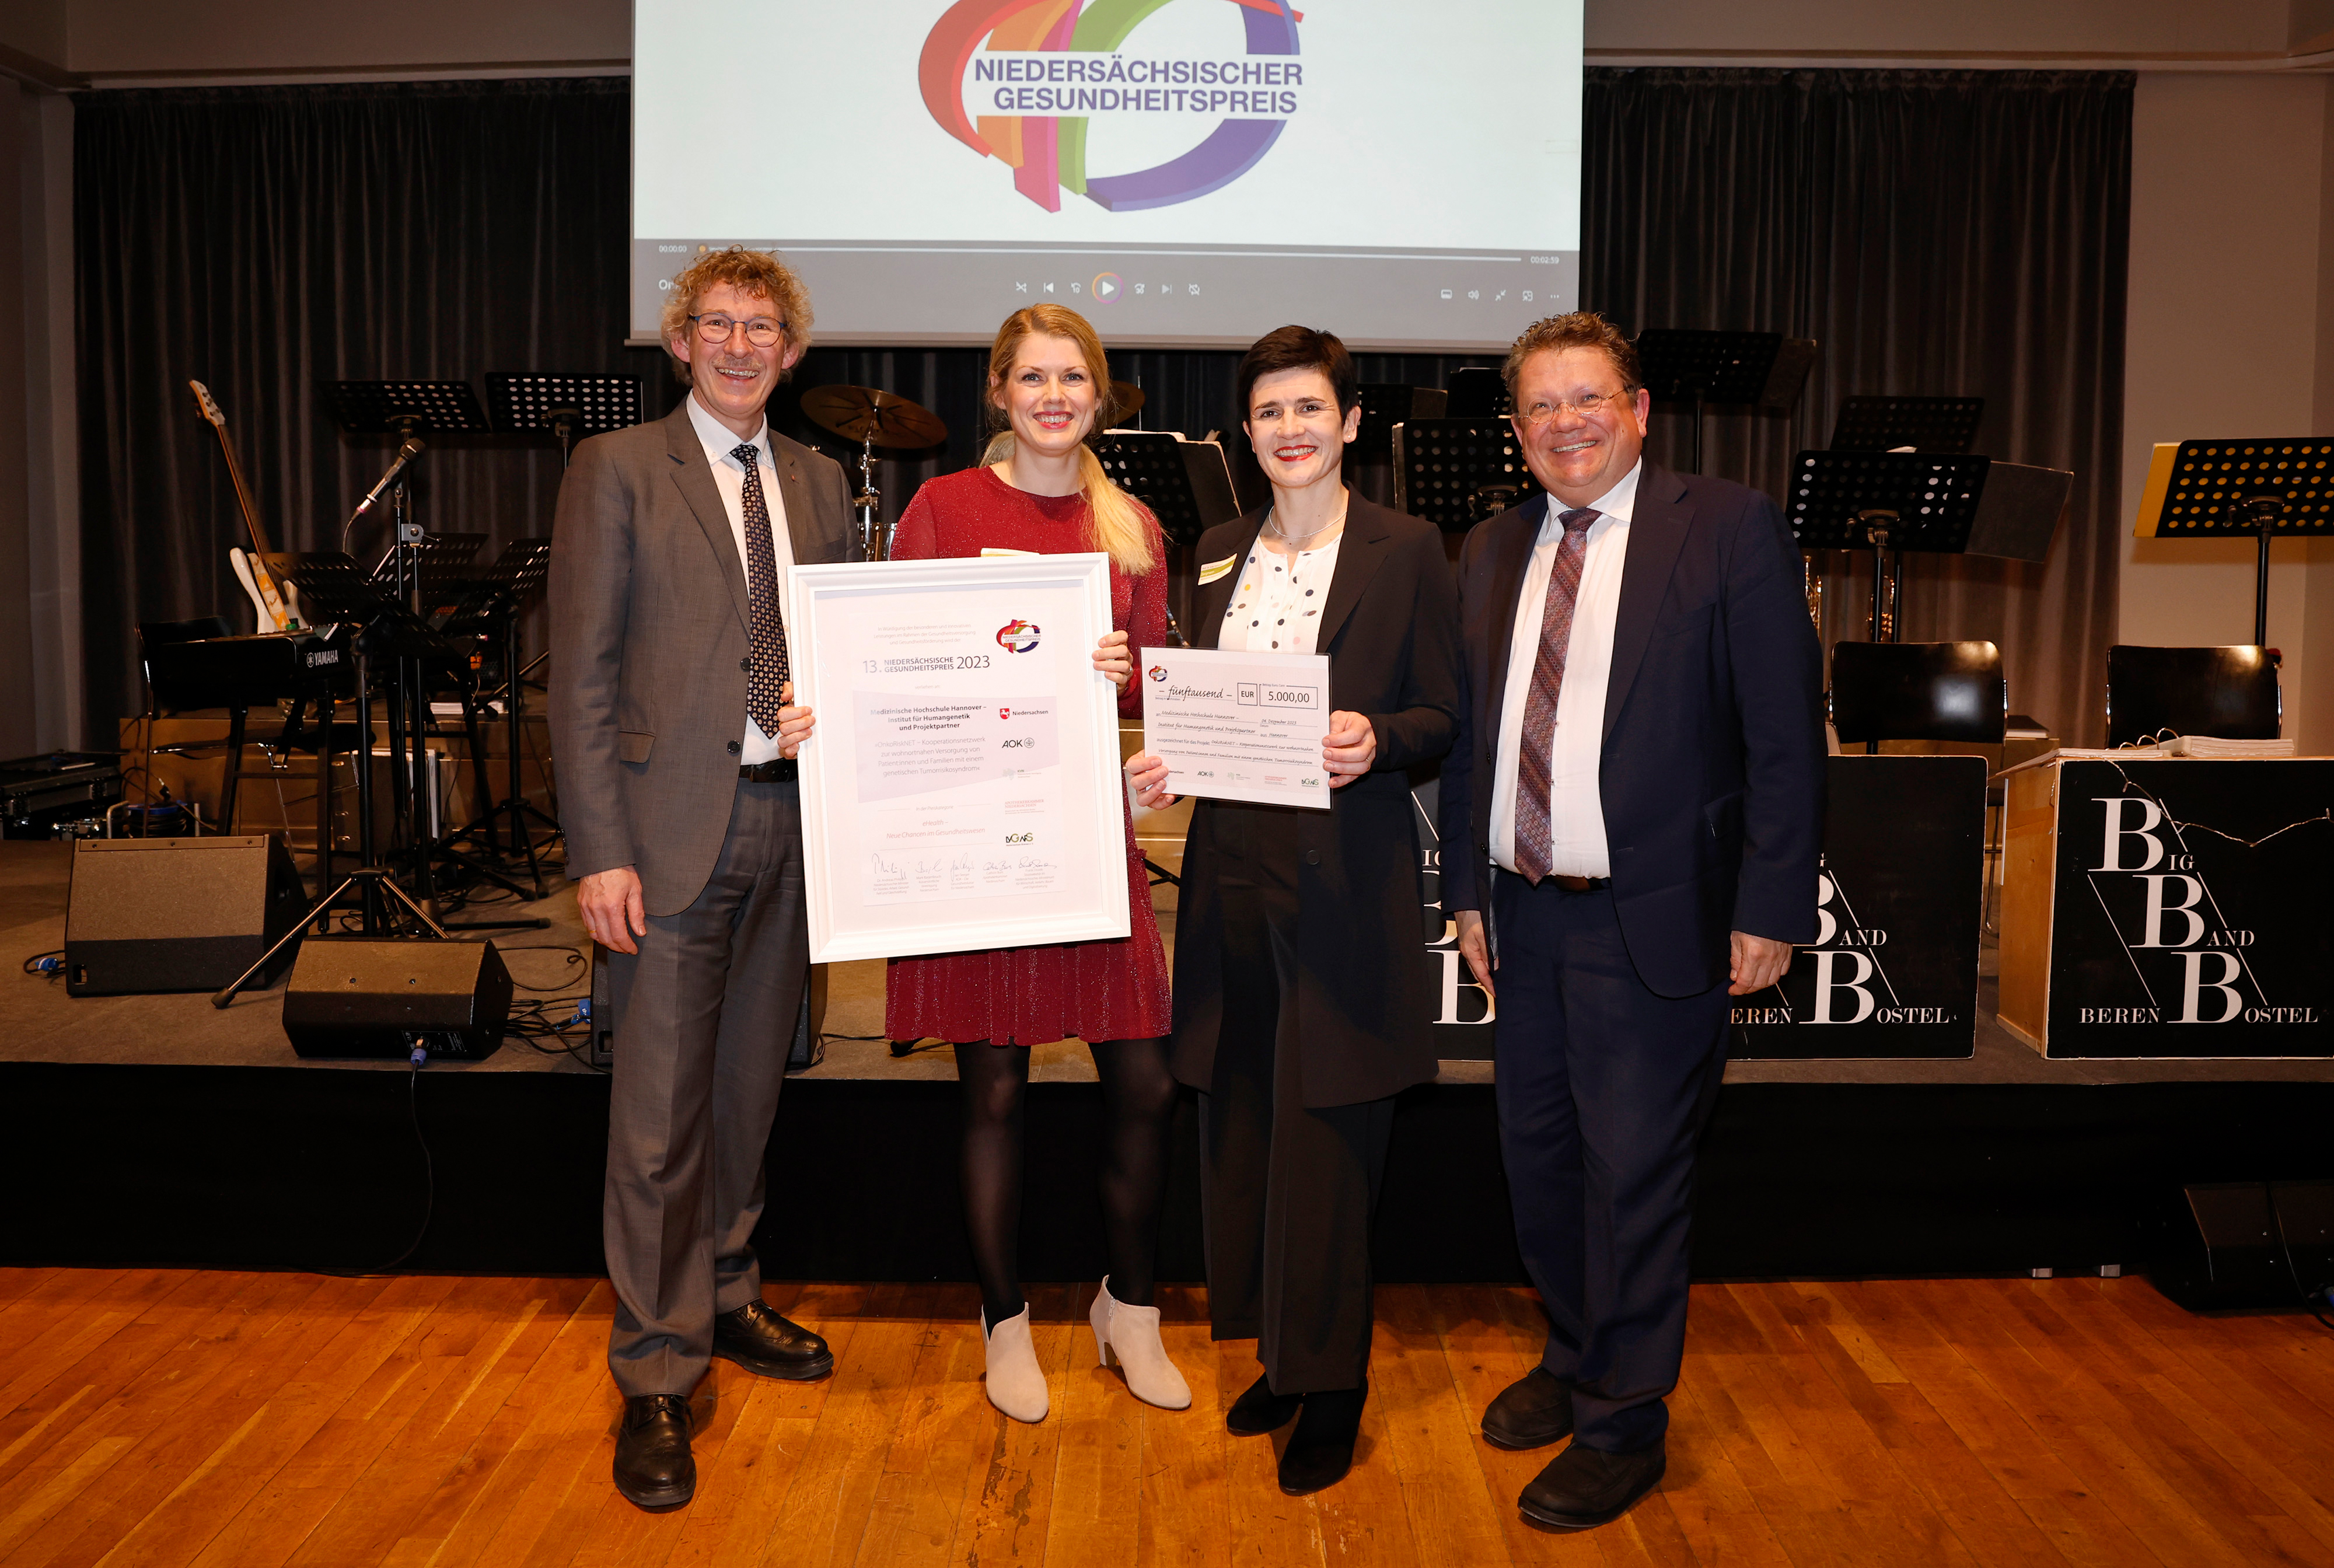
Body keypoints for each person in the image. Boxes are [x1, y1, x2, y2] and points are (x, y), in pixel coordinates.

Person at [1437, 312, 1824, 1532]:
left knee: (1635, 1180)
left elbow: (1781, 733)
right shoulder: (1491, 547)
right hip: (1522, 915)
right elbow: (1469, 741)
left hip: (1655, 921)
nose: (1565, 423)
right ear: (1515, 432)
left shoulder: (1725, 527)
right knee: (1539, 1164)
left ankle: (1622, 1421)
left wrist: (1769, 903)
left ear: (1638, 409)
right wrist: (1461, 889)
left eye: (1586, 398)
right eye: (1540, 407)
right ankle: (1570, 1351)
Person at [1126, 325, 1463, 1496]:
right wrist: (1165, 761)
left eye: (1310, 408)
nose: (1290, 430)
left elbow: (1441, 712)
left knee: (1328, 1142)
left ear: (1350, 422)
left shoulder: (1407, 547)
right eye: (1268, 412)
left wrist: (1382, 738)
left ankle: (1335, 1385)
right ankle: (1277, 1352)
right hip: (1228, 876)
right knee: (1246, 1130)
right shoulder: (1216, 551)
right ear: (1246, 431)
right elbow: (1202, 708)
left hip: (1342, 880)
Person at [548, 247, 853, 1511]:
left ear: (791, 350)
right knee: (659, 1117)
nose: (738, 345)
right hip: (667, 839)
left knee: (745, 1095)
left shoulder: (826, 481)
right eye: (714, 324)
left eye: (761, 326)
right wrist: (597, 848)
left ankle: (726, 1293)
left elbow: (843, 645)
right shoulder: (615, 469)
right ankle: (656, 1367)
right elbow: (578, 676)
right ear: (678, 343)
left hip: (796, 829)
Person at [883, 303, 1188, 1424]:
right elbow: (895, 664)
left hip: (1085, 835)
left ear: (1097, 397)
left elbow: (1164, 689)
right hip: (978, 832)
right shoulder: (941, 508)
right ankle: (1003, 1321)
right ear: (1001, 395)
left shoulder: (1133, 526)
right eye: (1032, 378)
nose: (1054, 396)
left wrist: (1125, 672)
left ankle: (1131, 1308)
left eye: (1074, 378)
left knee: (1148, 1083)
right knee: (996, 1088)